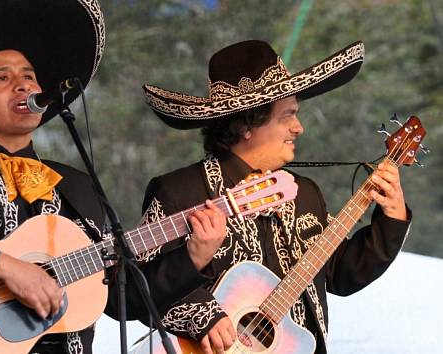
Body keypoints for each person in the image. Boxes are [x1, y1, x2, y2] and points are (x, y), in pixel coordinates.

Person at [0, 1, 226, 353]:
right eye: (2, 77)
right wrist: (7, 269)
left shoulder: (77, 188)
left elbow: (121, 299)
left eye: (29, 78)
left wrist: (193, 257)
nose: (22, 86)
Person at [136, 40, 411, 354]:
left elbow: (342, 274)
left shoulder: (305, 193)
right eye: (288, 115)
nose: (299, 127)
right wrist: (202, 315)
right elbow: (139, 285)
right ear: (247, 124)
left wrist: (392, 217)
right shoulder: (180, 191)